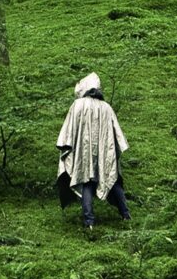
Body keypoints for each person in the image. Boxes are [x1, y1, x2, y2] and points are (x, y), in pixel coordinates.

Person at [56, 72, 131, 229]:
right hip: (105, 152)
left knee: (86, 182)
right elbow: (117, 133)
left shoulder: (77, 106)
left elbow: (68, 131)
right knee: (113, 180)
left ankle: (89, 222)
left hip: (83, 153)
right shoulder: (106, 107)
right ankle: (126, 215)